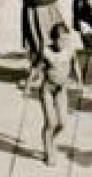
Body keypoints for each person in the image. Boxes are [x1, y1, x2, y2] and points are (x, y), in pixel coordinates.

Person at [29, 23, 84, 167]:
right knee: (51, 122)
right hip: (47, 90)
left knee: (62, 123)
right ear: (53, 39)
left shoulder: (69, 50)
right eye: (61, 40)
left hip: (61, 90)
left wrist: (80, 81)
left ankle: (51, 139)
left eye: (66, 39)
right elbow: (35, 68)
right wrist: (28, 85)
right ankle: (48, 151)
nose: (64, 43)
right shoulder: (46, 52)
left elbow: (75, 64)